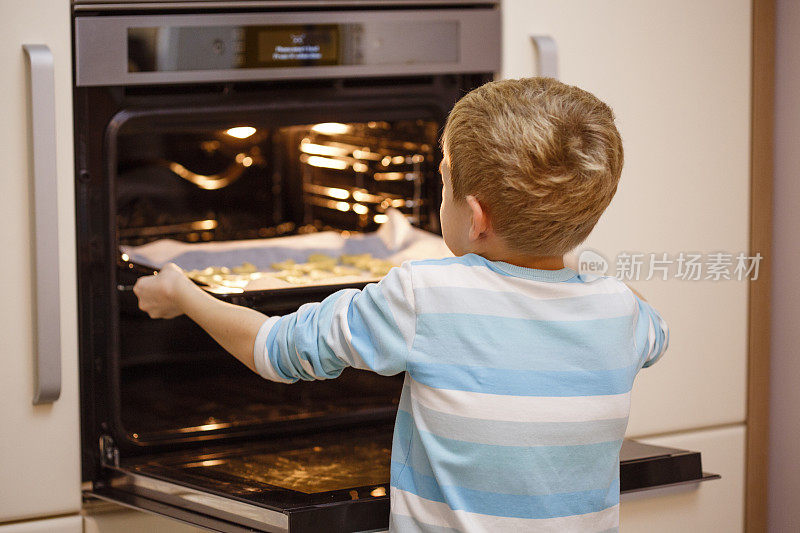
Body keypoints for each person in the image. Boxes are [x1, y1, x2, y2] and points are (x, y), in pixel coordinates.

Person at [134, 77, 669, 532]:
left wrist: (184, 295)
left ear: (477, 217)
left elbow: (275, 349)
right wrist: (569, 260)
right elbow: (651, 329)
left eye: (444, 182)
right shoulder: (622, 312)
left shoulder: (425, 295)